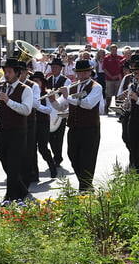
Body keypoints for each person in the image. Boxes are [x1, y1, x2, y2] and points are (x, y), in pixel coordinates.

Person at [58, 59, 104, 191]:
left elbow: (88, 104)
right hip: (74, 127)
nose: (82, 75)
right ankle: (85, 184)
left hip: (90, 128)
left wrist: (68, 97)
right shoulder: (72, 87)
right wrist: (52, 100)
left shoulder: (96, 87)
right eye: (79, 72)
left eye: (85, 72)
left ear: (90, 72)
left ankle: (85, 187)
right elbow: (60, 106)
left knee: (87, 159)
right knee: (72, 155)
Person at [0, 58, 34, 202]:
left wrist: (8, 101)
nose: (6, 74)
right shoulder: (0, 87)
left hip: (17, 131)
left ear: (17, 73)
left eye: (9, 72)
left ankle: (10, 196)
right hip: (2, 129)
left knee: (13, 163)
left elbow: (26, 110)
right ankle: (22, 190)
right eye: (5, 71)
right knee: (0, 154)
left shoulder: (26, 89)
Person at [29, 71, 58, 178]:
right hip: (32, 123)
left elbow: (49, 110)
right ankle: (34, 173)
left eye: (37, 81)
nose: (35, 83)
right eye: (33, 81)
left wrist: (37, 106)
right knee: (31, 148)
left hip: (43, 123)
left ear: (42, 82)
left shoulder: (47, 94)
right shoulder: (29, 93)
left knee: (43, 148)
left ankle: (52, 166)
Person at [18, 66, 41, 186]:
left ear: (27, 72)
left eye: (22, 71)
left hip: (30, 120)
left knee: (30, 148)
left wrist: (26, 98)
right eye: (18, 71)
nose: (20, 74)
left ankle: (32, 173)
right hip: (16, 121)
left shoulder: (33, 86)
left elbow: (36, 104)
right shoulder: (9, 85)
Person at [46, 57, 69, 171]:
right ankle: (55, 156)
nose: (53, 69)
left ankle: (58, 157)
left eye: (56, 67)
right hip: (50, 111)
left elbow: (66, 96)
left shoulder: (66, 81)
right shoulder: (48, 79)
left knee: (59, 136)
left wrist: (56, 101)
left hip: (61, 111)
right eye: (52, 67)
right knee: (50, 135)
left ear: (60, 68)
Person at [102, 44, 123, 113]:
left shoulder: (120, 58)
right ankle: (106, 109)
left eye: (115, 50)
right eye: (112, 50)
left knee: (118, 95)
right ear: (110, 50)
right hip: (109, 79)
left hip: (118, 80)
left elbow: (122, 69)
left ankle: (118, 110)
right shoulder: (106, 58)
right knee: (108, 95)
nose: (114, 51)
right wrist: (111, 76)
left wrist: (117, 76)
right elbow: (104, 69)